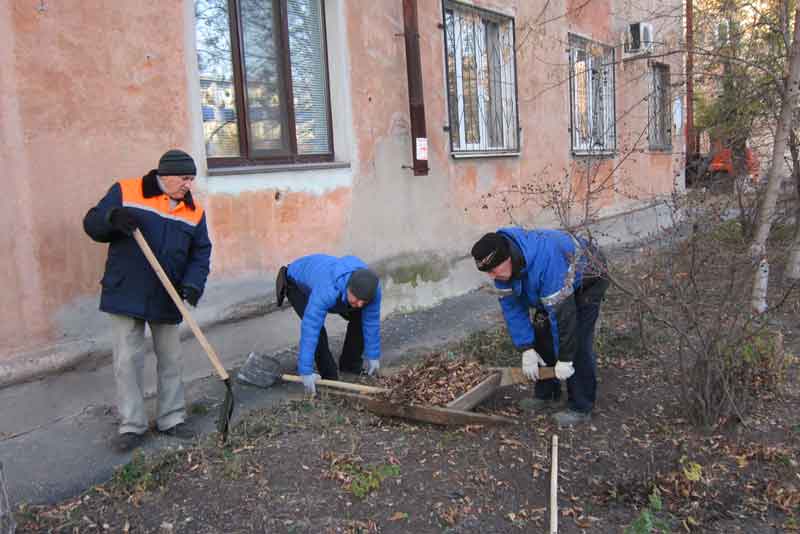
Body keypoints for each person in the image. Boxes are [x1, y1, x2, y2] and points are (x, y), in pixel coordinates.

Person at [83, 149, 212, 452]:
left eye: (192, 179)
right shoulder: (127, 192)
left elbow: (201, 253)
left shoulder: (193, 211)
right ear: (164, 175)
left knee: (172, 359)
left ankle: (172, 418)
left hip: (167, 295)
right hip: (127, 290)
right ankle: (132, 426)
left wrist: (193, 285)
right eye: (184, 178)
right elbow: (92, 223)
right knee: (127, 361)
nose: (188, 185)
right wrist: (112, 217)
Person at [470, 228, 608, 425]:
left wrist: (566, 358)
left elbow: (563, 317)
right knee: (541, 333)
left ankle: (580, 406)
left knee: (577, 339)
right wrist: (526, 347)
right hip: (554, 286)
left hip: (589, 278)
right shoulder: (505, 270)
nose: (492, 276)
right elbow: (512, 309)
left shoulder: (545, 261)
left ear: (508, 257)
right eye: (488, 272)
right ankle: (547, 394)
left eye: (493, 270)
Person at [275, 254, 382, 395]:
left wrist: (373, 356)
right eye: (357, 299)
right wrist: (305, 371)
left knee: (361, 316)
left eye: (364, 301)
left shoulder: (372, 290)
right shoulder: (328, 289)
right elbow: (311, 328)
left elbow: (371, 321)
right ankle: (329, 378)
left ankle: (350, 365)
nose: (360, 304)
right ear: (348, 288)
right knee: (318, 332)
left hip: (328, 283)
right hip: (296, 283)